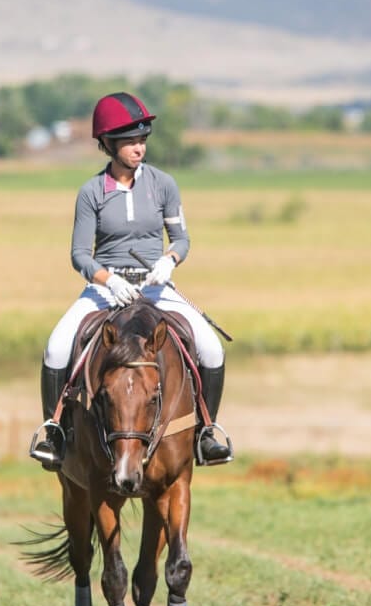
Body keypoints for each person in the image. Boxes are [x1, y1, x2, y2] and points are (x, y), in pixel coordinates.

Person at [31, 91, 232, 470]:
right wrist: (109, 281)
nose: (139, 147)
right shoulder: (91, 192)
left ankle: (206, 433)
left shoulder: (164, 184)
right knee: (56, 349)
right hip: (106, 291)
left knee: (211, 349)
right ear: (109, 144)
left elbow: (182, 239)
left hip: (155, 287)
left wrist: (169, 261)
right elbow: (80, 255)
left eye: (143, 140)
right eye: (130, 141)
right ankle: (55, 433)